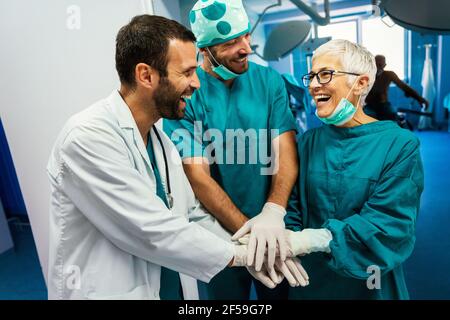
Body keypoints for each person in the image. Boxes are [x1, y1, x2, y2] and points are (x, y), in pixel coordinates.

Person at [46, 15, 306, 300]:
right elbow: (152, 231)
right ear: (146, 75)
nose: (196, 83)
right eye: (187, 72)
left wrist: (253, 248)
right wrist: (240, 256)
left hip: (166, 287)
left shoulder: (161, 144)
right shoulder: (87, 139)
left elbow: (192, 214)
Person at [164, 0, 300, 299]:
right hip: (220, 234)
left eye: (246, 36)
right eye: (231, 42)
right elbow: (197, 176)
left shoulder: (268, 81)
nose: (246, 48)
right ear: (205, 50)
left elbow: (285, 151)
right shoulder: (189, 94)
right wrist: (252, 235)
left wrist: (273, 211)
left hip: (276, 227)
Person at [281, 39, 424, 299]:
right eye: (311, 76)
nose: (313, 85)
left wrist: (314, 240)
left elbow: (390, 223)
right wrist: (289, 239)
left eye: (325, 75)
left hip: (369, 277)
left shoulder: (399, 146)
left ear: (360, 83)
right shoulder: (308, 142)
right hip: (309, 278)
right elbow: (291, 204)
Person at [365, 54, 428, 120]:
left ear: (384, 65)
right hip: (370, 105)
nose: (378, 68)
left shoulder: (389, 74)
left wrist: (420, 99)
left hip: (383, 105)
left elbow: (404, 87)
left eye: (380, 65)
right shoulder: (367, 75)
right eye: (376, 65)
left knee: (393, 119)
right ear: (372, 64)